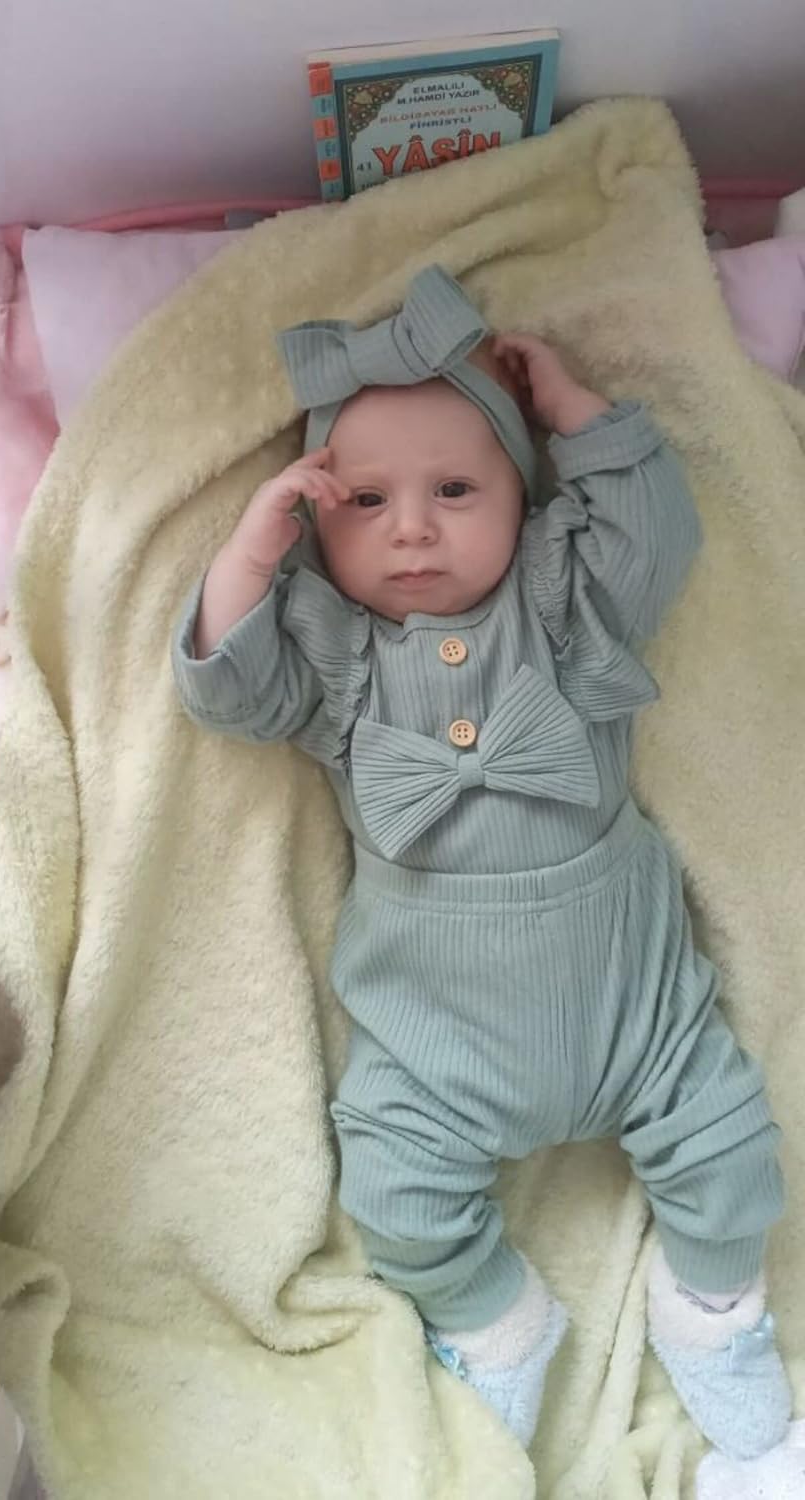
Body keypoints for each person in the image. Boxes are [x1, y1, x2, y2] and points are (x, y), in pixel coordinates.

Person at [172, 265, 790, 1459]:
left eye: (455, 489)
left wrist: (572, 411)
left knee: (729, 1145)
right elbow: (227, 695)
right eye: (364, 501)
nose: (412, 527)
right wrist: (249, 554)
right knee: (392, 1196)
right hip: (436, 1046)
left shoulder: (561, 606)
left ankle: (713, 1316)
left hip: (635, 1015)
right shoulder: (337, 656)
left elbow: (655, 535)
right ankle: (498, 1322)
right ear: (317, 527)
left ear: (522, 495)